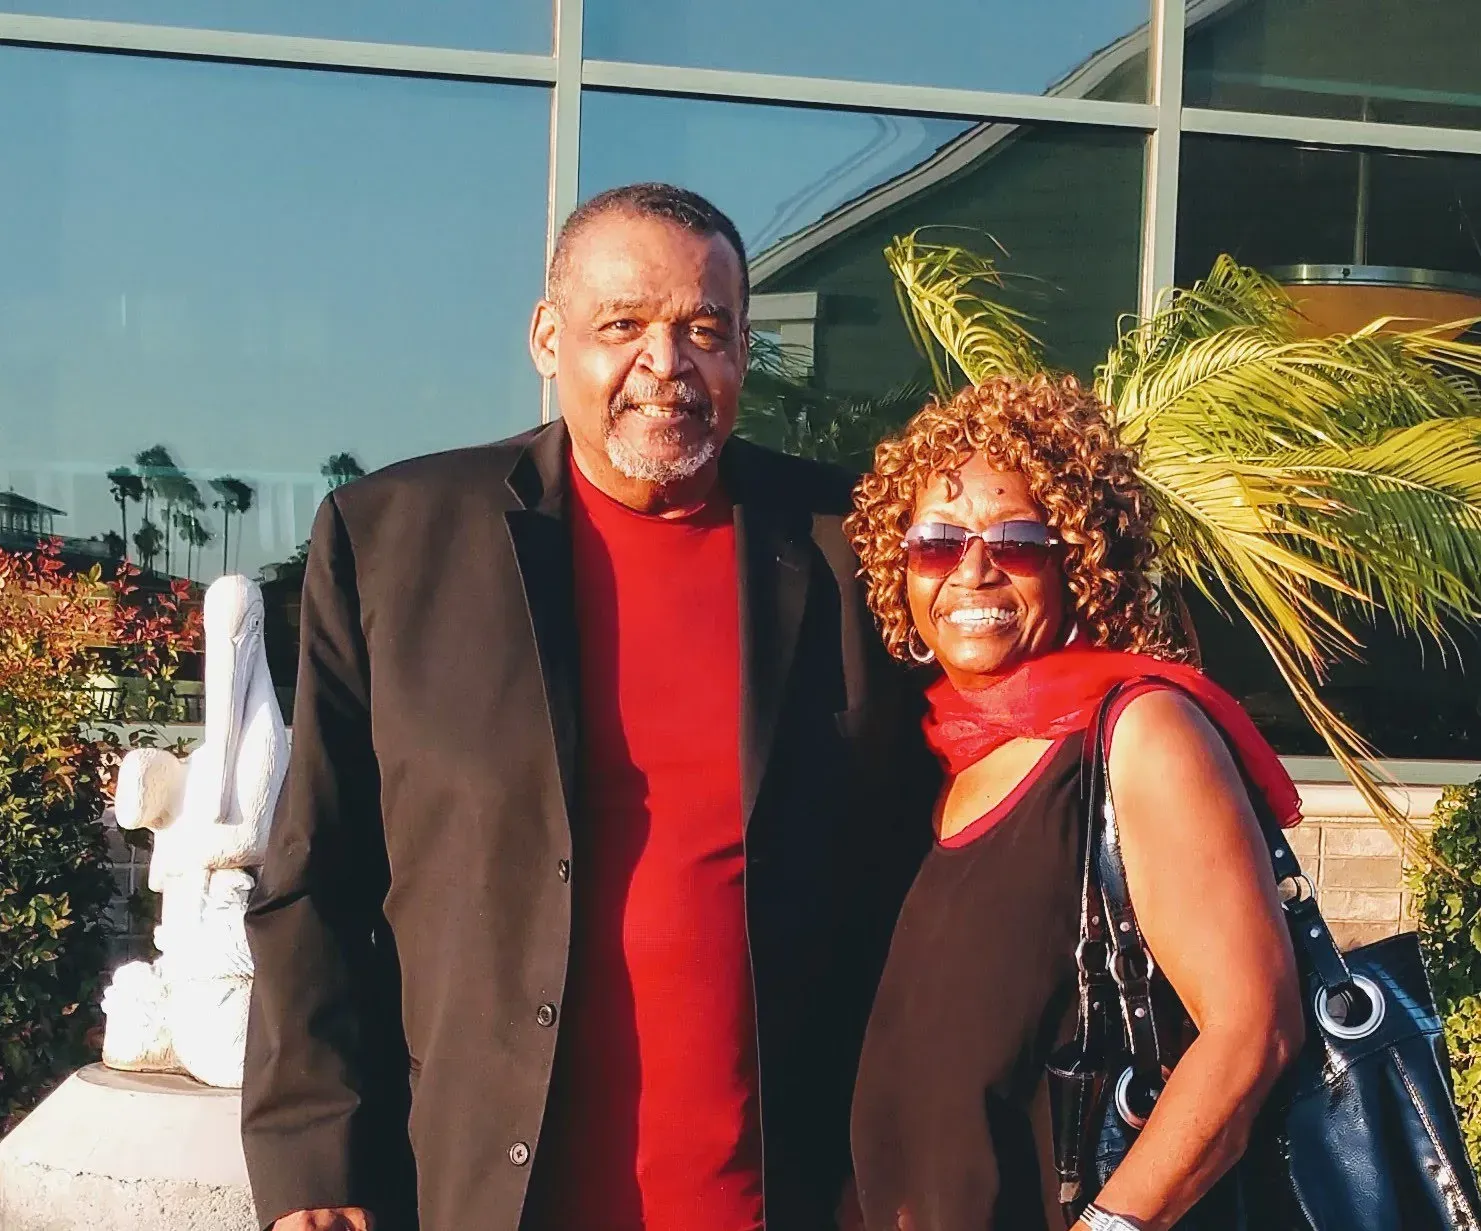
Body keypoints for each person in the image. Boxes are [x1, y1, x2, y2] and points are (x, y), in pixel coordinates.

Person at [240, 182, 935, 1231]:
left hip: (788, 1200)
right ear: (546, 337)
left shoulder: (853, 546)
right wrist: (314, 1164)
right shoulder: (390, 543)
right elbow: (315, 881)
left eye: (705, 330)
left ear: (744, 349)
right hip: (475, 1193)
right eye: (623, 325)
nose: (668, 365)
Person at [843, 374, 1307, 1231]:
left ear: (1080, 558)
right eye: (937, 542)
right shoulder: (929, 752)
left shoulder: (1137, 732)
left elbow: (1252, 1031)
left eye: (1015, 541)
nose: (971, 570)